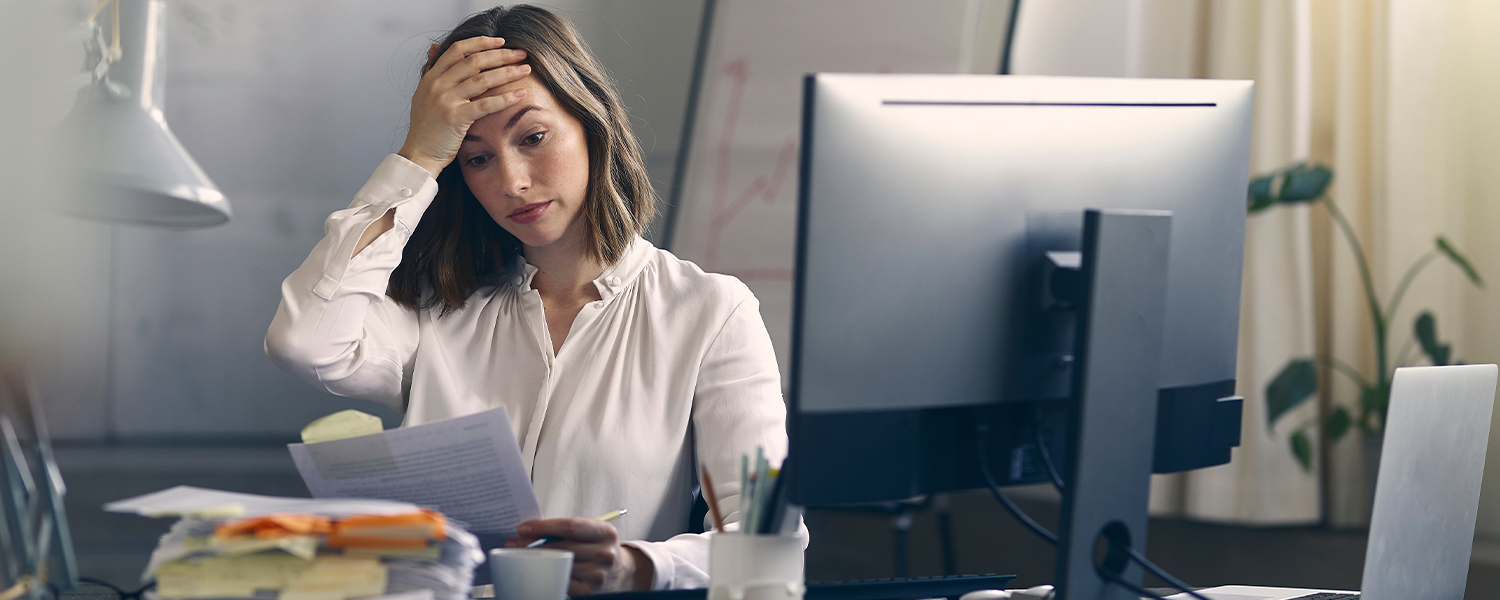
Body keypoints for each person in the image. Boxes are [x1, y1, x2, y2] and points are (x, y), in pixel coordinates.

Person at [264, 4, 798, 595]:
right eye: (476, 158)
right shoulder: (438, 314)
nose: (511, 181)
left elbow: (769, 546)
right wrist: (418, 156)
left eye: (534, 137)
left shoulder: (709, 312)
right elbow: (305, 343)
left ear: (591, 124)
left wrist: (634, 566)